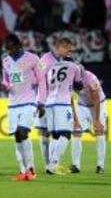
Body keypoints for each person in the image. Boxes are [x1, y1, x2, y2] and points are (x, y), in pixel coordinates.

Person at [0, 34, 46, 181]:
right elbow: (6, 80)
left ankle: (31, 170)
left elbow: (42, 81)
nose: (9, 52)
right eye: (7, 49)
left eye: (11, 48)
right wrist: (4, 86)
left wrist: (41, 102)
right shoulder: (5, 61)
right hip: (13, 103)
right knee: (17, 136)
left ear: (19, 46)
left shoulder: (33, 59)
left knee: (23, 132)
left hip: (29, 102)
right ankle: (22, 171)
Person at [36, 38, 83, 174]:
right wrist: (40, 102)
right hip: (59, 103)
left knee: (55, 135)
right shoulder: (72, 66)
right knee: (66, 134)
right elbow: (40, 81)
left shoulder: (54, 66)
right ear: (61, 46)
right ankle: (52, 164)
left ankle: (51, 165)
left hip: (50, 102)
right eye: (68, 49)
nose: (70, 52)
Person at [71, 70, 106, 174]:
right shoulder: (69, 78)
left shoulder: (91, 79)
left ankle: (100, 165)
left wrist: (97, 120)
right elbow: (70, 99)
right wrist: (75, 120)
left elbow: (96, 99)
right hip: (82, 105)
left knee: (99, 131)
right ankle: (76, 165)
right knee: (76, 131)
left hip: (98, 104)